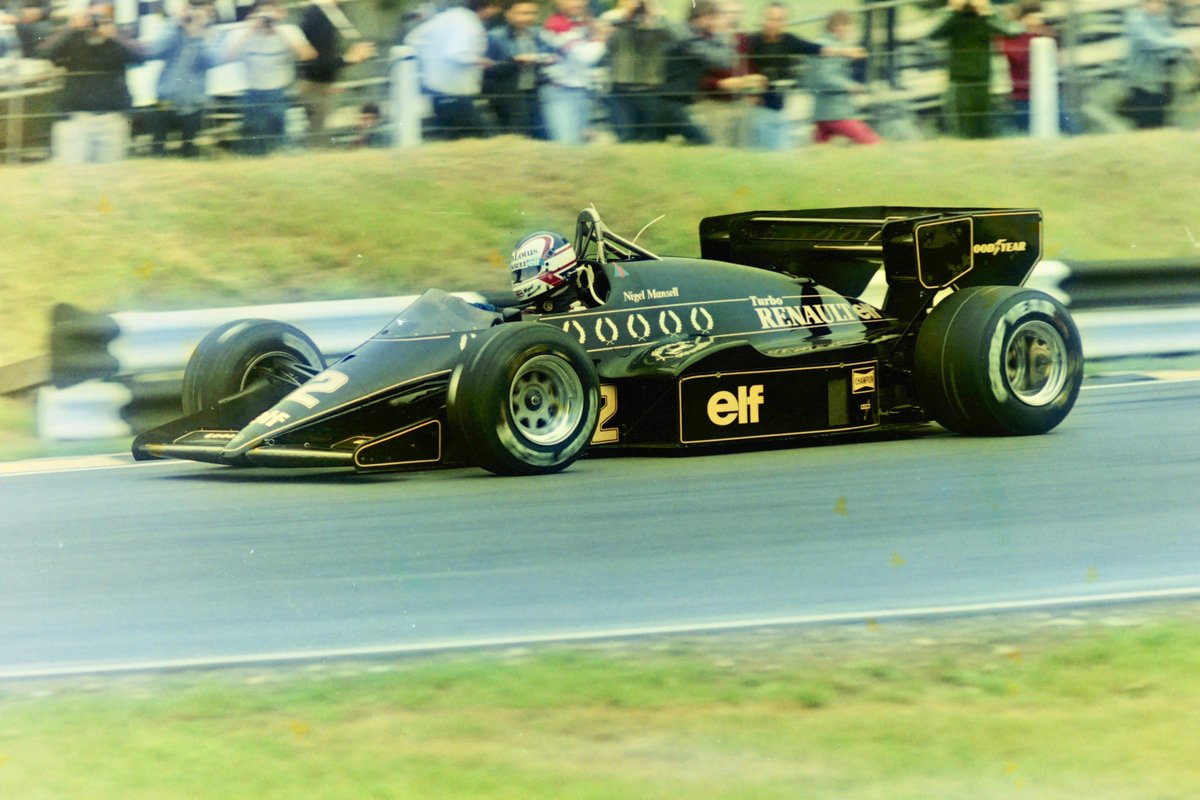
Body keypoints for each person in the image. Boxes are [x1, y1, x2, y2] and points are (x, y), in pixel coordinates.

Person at [38, 4, 145, 163]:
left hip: (112, 119)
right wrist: (71, 27)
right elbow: (44, 53)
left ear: (112, 18)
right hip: (75, 119)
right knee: (71, 175)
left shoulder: (119, 38)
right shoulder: (74, 38)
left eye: (102, 17)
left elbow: (141, 57)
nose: (96, 22)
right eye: (93, 17)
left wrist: (114, 36)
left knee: (110, 177)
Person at [745, 2, 860, 150]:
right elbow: (742, 65)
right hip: (757, 108)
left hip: (779, 106)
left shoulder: (788, 40)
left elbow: (817, 49)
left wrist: (846, 52)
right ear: (762, 19)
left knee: (779, 151)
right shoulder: (751, 41)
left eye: (780, 20)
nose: (775, 24)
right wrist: (749, 92)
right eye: (771, 19)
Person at [225, 0, 316, 155]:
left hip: (280, 93)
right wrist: (251, 29)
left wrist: (277, 30)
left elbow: (307, 55)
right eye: (260, 13)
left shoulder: (289, 31)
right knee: (253, 141)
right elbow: (228, 57)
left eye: (269, 12)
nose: (265, 18)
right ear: (251, 15)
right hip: (252, 93)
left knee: (281, 139)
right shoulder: (240, 33)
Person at [405, 0, 501, 140]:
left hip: (436, 89)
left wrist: (430, 58)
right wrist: (482, 61)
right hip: (457, 92)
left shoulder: (448, 16)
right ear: (488, 7)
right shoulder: (470, 24)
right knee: (480, 138)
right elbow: (456, 54)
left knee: (453, 139)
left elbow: (413, 38)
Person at [929, 0, 1020, 139]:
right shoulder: (951, 17)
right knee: (963, 124)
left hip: (982, 76)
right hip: (960, 78)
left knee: (984, 124)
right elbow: (933, 34)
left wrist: (987, 14)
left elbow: (1011, 32)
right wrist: (954, 12)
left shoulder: (987, 17)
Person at [144, 3, 223, 157]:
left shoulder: (212, 35)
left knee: (190, 153)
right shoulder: (174, 30)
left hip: (193, 104)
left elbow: (212, 61)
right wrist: (175, 23)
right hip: (164, 100)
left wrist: (196, 37)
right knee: (156, 152)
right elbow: (154, 50)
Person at [297, 0, 377, 147]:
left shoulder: (329, 12)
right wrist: (347, 59)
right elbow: (315, 62)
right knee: (316, 142)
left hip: (321, 86)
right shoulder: (316, 14)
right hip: (315, 87)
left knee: (319, 138)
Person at [656, 0, 737, 144]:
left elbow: (727, 61)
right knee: (703, 141)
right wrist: (720, 35)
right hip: (667, 101)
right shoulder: (681, 33)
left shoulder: (700, 39)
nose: (714, 22)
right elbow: (714, 57)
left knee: (659, 144)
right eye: (712, 18)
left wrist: (721, 36)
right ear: (700, 18)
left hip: (680, 102)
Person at [602, 0, 676, 142]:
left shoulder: (660, 22)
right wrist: (626, 18)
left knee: (651, 140)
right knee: (626, 138)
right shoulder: (613, 19)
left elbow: (674, 39)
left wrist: (656, 16)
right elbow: (608, 45)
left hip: (648, 90)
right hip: (621, 91)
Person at [540, 0, 608, 145]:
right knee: (566, 146)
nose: (576, 3)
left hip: (580, 90)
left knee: (580, 145)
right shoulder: (557, 25)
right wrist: (600, 37)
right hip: (560, 92)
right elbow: (586, 57)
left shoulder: (580, 23)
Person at [809, 10, 880, 144]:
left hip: (820, 112)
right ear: (838, 26)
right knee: (872, 142)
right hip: (836, 112)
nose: (851, 31)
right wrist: (850, 86)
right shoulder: (831, 47)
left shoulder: (817, 45)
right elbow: (825, 76)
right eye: (849, 26)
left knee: (819, 153)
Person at [1123, 0, 1196, 129]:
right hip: (1142, 83)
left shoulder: (1162, 19)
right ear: (1144, 4)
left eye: (1160, 3)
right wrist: (1185, 45)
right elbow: (1153, 42)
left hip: (1160, 81)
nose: (1157, 6)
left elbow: (1169, 40)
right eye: (1153, 2)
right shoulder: (1135, 21)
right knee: (1145, 125)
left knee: (1159, 122)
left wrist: (1182, 52)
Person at [483, 0, 552, 137]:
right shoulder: (495, 37)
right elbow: (487, 69)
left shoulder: (537, 34)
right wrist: (514, 61)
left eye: (532, 13)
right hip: (509, 96)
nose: (528, 17)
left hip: (534, 92)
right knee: (517, 135)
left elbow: (552, 53)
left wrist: (545, 59)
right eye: (522, 13)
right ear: (508, 14)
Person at [509, 230, 606, 313]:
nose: (520, 279)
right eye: (519, 273)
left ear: (554, 266)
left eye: (528, 271)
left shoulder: (577, 312)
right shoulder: (537, 306)